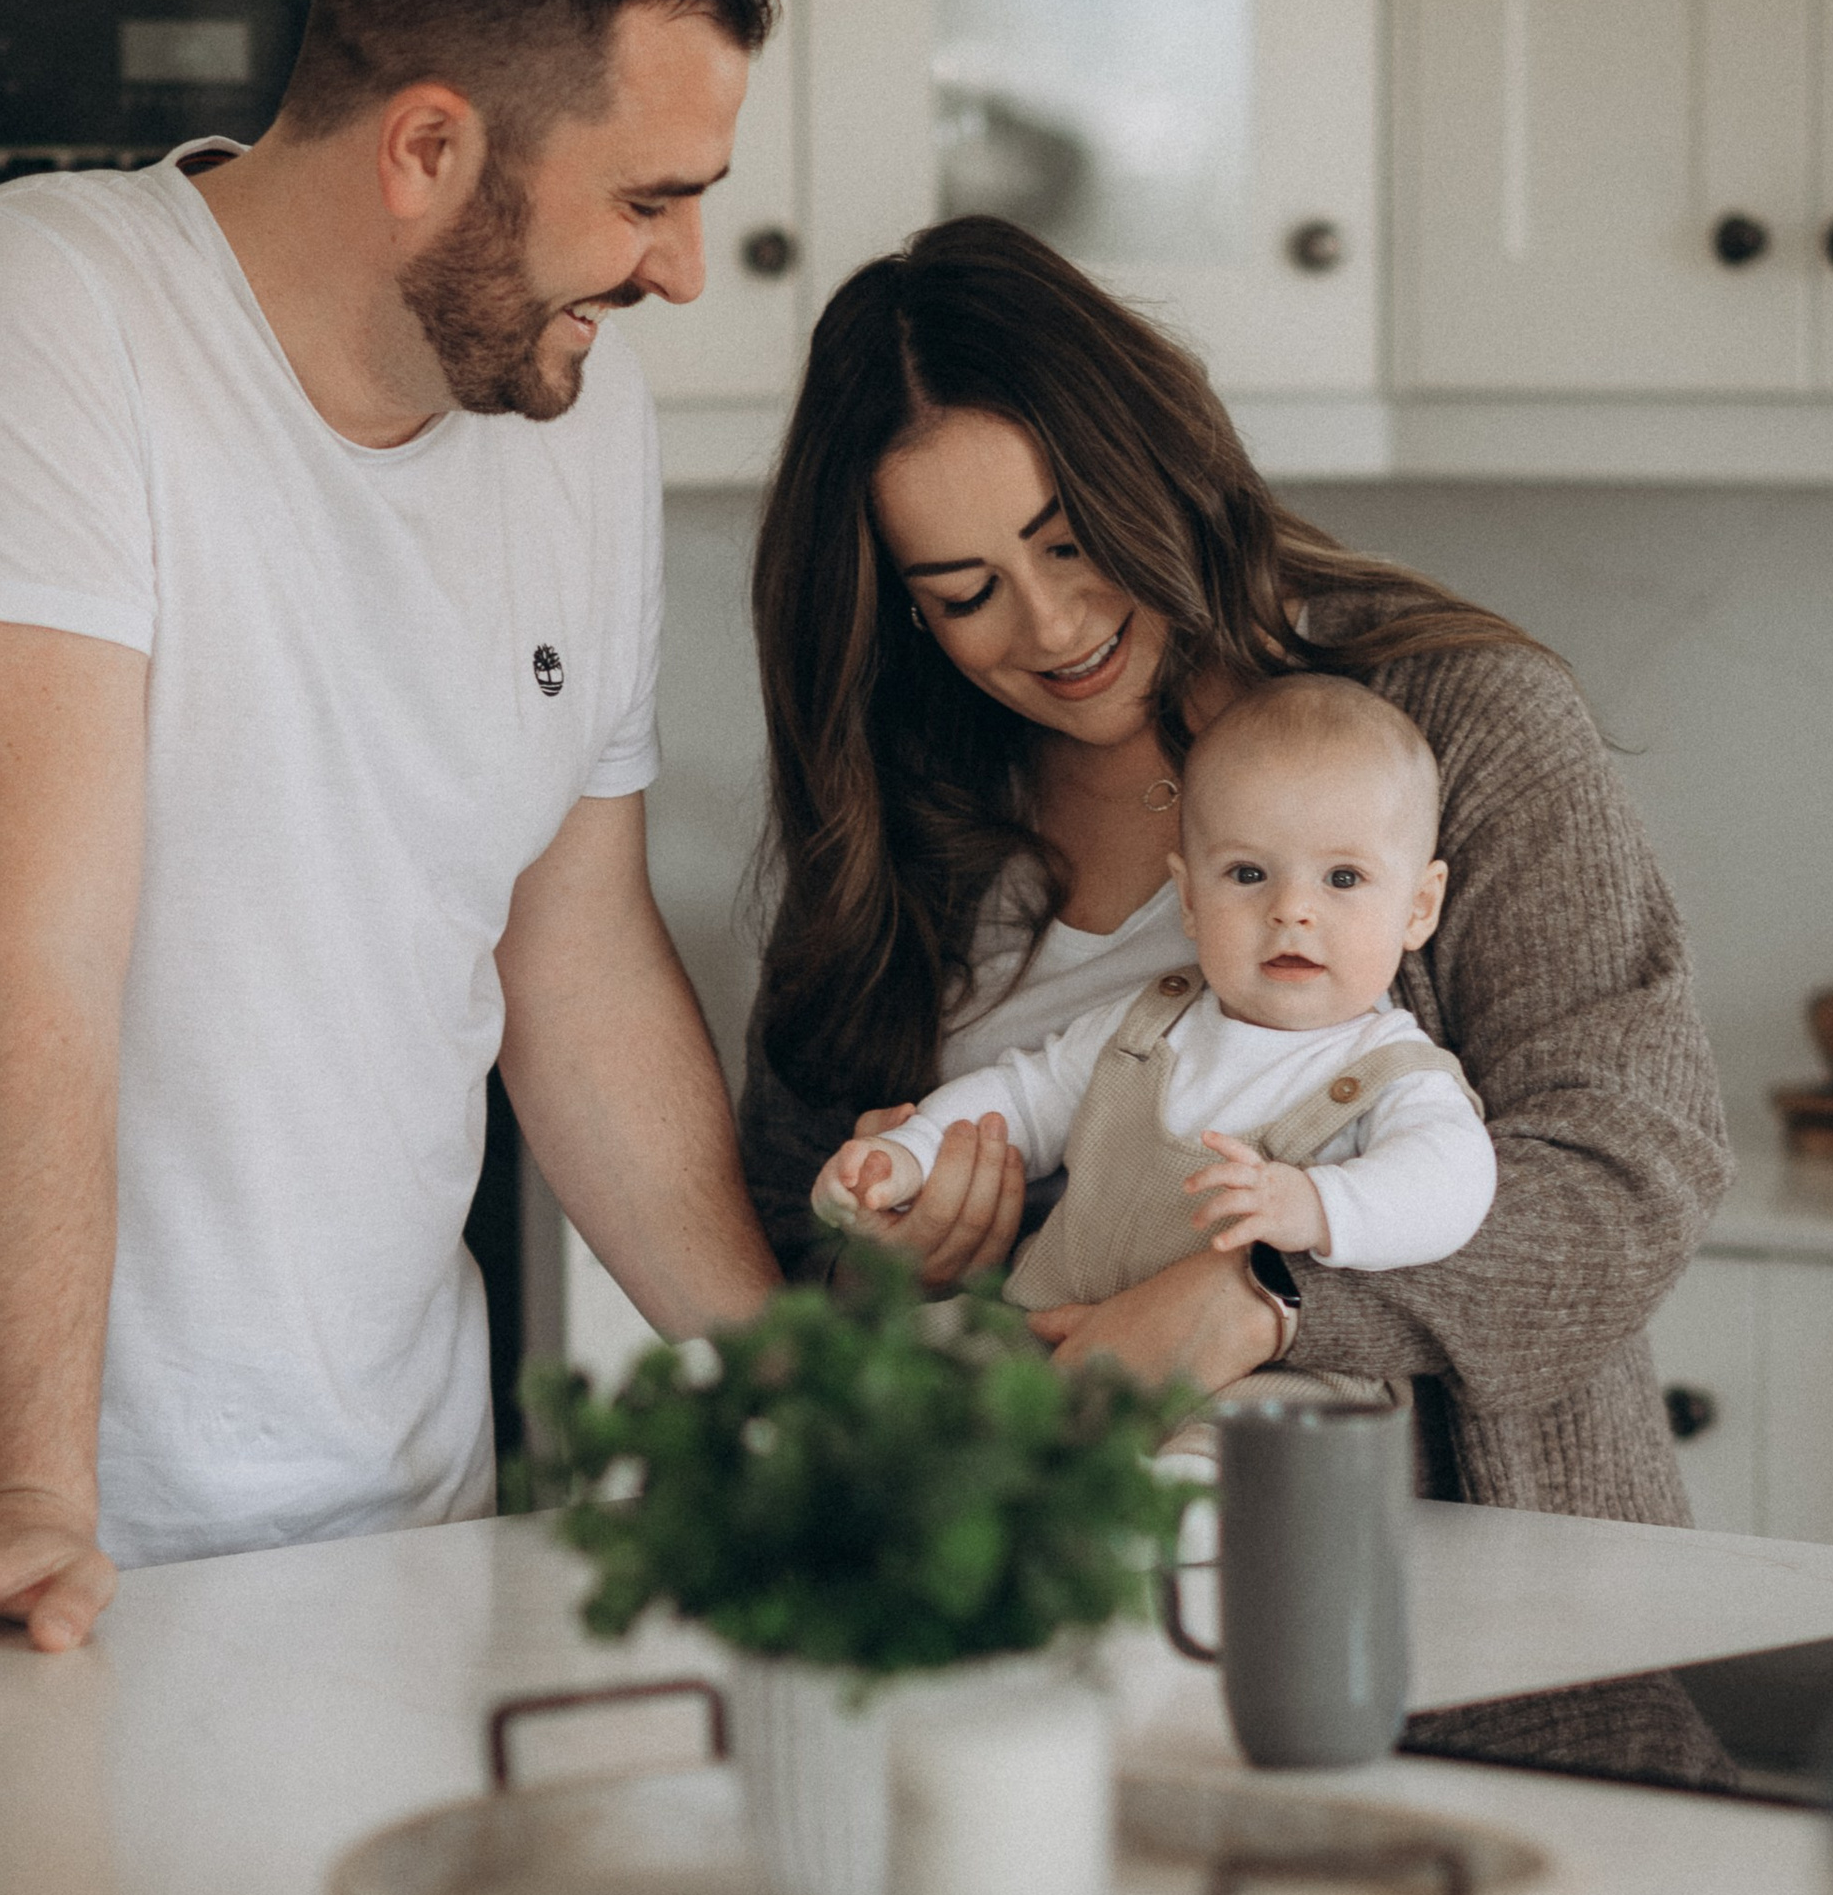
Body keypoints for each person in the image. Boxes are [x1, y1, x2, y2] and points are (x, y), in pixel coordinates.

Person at [0, 0, 786, 1668]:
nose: (685, 270)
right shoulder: (25, 329)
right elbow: (32, 952)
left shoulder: (571, 410)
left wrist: (800, 1394)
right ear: (429, 147)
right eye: (646, 198)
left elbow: (578, 958)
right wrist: (33, 1502)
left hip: (391, 1490)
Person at [743, 218, 1738, 1777]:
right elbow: (789, 1223)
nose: (1051, 628)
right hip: (1035, 1665)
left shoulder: (1457, 725)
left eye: (1071, 542)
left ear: (1159, 466)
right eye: (964, 590)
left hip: (1474, 1644)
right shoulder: (902, 819)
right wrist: (889, 1244)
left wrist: (1262, 1296)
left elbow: (1630, 1176)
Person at [811, 673, 1497, 1373]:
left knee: (1237, 1450)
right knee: (897, 1369)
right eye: (1248, 874)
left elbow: (1453, 1181)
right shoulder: (1147, 1025)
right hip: (1045, 1330)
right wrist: (911, 1152)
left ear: (1418, 906)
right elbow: (1019, 1097)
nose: (1292, 909)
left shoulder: (1393, 1068)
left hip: (1236, 1378)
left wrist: (1322, 1205)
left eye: (1343, 878)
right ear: (1189, 898)